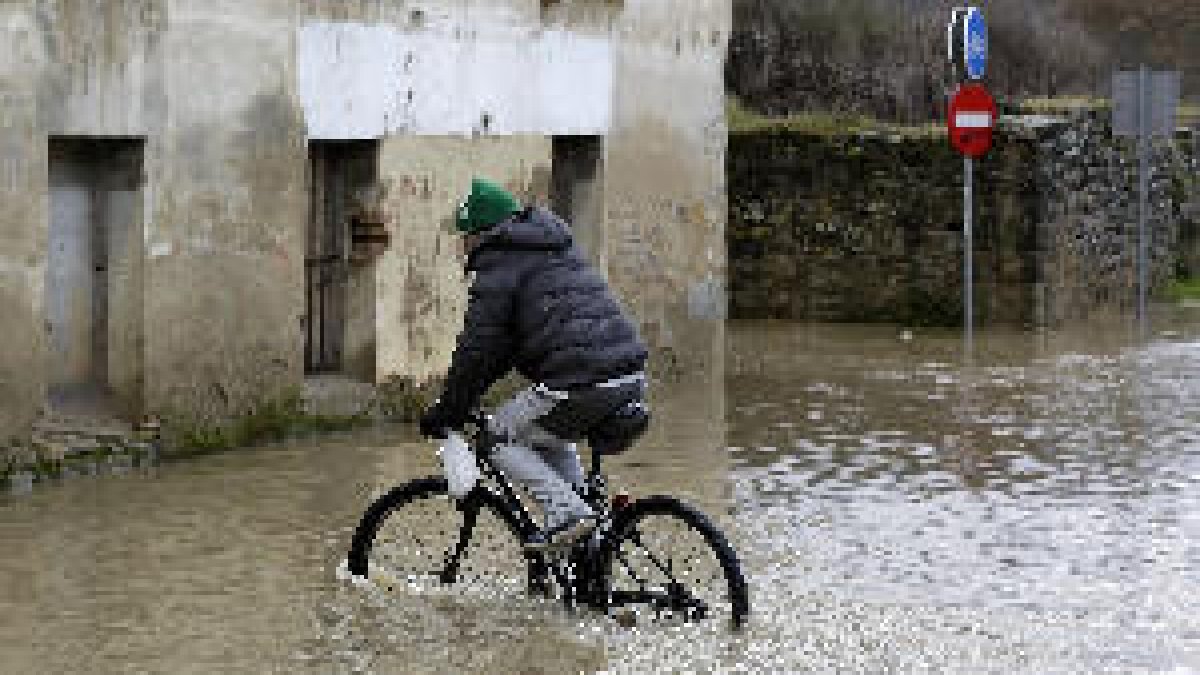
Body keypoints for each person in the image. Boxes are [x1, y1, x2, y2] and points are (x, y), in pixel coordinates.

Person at [419, 177, 650, 551]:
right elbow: (502, 350)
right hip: (629, 375)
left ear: (481, 234)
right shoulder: (557, 249)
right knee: (545, 431)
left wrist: (449, 411)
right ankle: (584, 538)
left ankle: (568, 513)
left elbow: (477, 350)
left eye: (464, 236)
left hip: (579, 380)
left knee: (494, 437)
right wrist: (467, 396)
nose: (462, 246)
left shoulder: (499, 267)